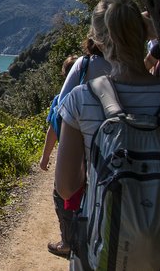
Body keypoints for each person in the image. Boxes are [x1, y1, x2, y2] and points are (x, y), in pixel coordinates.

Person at [55, 0, 160, 268]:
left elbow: (65, 186)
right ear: (144, 35)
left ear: (96, 40)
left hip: (100, 253)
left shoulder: (81, 99)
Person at [40, 40, 111, 258]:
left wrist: (45, 158)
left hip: (80, 148)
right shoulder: (122, 65)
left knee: (63, 194)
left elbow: (56, 121)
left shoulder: (80, 76)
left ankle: (69, 242)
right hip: (110, 145)